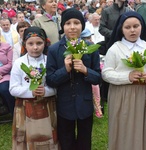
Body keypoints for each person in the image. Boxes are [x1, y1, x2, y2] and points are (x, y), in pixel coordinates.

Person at [46, 8, 101, 150]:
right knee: (66, 140)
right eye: (68, 23)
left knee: (84, 141)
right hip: (64, 105)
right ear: (62, 26)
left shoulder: (90, 48)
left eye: (76, 23)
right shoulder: (54, 50)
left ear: (82, 26)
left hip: (85, 105)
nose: (72, 27)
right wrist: (65, 70)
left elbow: (98, 78)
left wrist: (85, 70)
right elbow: (50, 80)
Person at [102, 11, 146, 150]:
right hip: (123, 96)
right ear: (121, 29)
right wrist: (127, 77)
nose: (132, 30)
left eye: (136, 26)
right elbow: (106, 73)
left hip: (145, 95)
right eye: (127, 27)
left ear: (142, 26)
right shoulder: (115, 49)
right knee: (124, 130)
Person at [9, 26, 59, 150]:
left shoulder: (50, 61)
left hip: (46, 106)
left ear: (45, 43)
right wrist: (30, 92)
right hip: (25, 107)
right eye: (30, 43)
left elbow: (58, 86)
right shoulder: (19, 63)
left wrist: (46, 91)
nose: (35, 47)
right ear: (24, 44)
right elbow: (13, 88)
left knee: (47, 136)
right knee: (26, 137)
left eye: (39, 43)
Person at [81, 28, 103, 118]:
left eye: (90, 38)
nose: (89, 40)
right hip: (84, 79)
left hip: (92, 75)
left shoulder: (92, 48)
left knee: (96, 93)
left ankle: (98, 108)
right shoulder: (80, 49)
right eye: (87, 38)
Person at [0, 30, 15, 116]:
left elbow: (10, 64)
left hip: (5, 75)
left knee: (4, 89)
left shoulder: (6, 47)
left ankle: (14, 112)